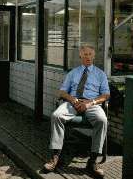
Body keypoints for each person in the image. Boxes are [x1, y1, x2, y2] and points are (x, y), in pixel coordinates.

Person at [43, 45, 110, 177]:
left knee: (102, 120)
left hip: (91, 104)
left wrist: (91, 103)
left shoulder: (100, 74)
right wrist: (73, 100)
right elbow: (62, 91)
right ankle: (55, 157)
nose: (88, 57)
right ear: (80, 56)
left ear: (94, 56)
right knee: (56, 115)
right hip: (73, 102)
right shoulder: (73, 73)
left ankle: (92, 161)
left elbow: (106, 95)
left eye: (90, 54)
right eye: (85, 54)